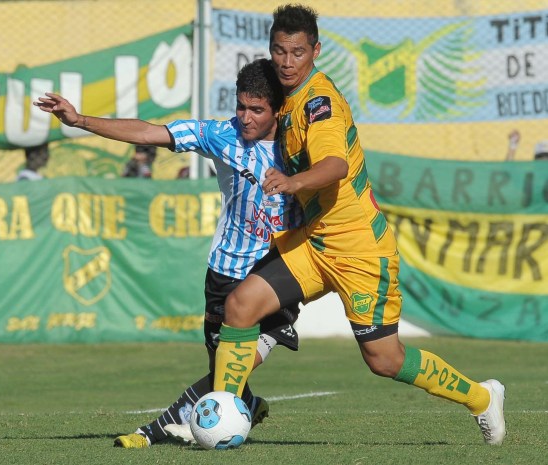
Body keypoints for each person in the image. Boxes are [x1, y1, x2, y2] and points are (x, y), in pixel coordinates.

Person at [211, 4, 506, 447]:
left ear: (316, 52)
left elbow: (333, 165)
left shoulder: (318, 102)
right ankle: (221, 418)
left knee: (385, 360)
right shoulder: (286, 96)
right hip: (315, 245)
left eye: (297, 52)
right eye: (279, 51)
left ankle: (482, 397)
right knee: (240, 306)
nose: (287, 62)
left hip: (360, 251)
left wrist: (292, 182)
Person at [34, 59, 303, 448]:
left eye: (256, 109)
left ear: (277, 110)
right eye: (241, 106)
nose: (245, 117)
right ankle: (248, 403)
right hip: (224, 274)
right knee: (225, 374)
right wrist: (79, 121)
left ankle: (154, 430)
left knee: (233, 366)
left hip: (275, 274)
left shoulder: (299, 146)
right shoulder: (219, 135)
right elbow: (148, 131)